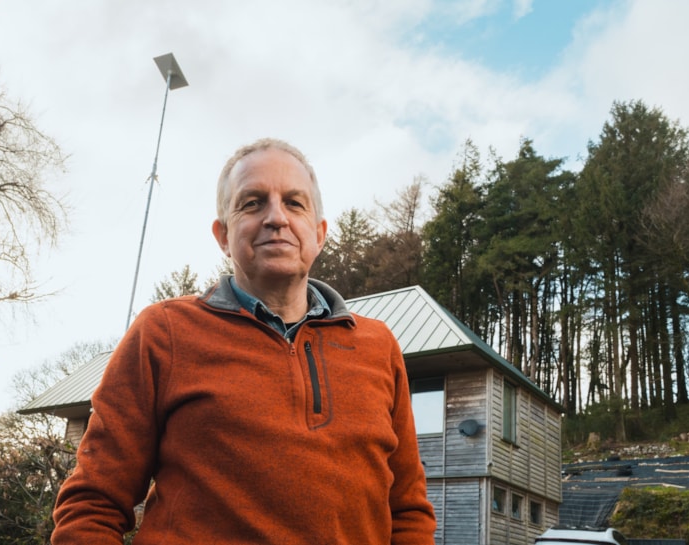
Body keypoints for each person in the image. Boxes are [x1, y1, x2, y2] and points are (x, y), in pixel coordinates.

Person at [51, 138, 436, 544]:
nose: (276, 218)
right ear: (222, 234)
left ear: (319, 233)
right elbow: (92, 504)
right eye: (252, 202)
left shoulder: (378, 345)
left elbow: (408, 510)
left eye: (294, 202)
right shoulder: (163, 332)